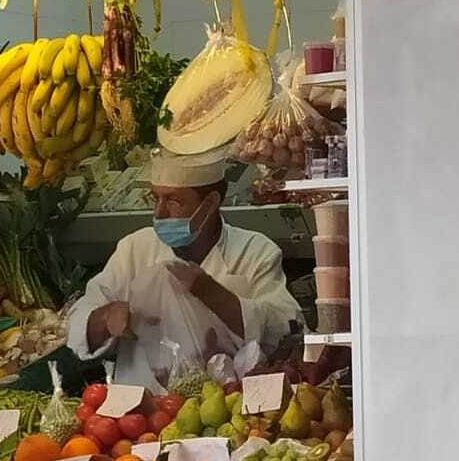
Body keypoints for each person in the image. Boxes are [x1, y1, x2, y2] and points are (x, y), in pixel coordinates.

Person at [66, 151, 302, 387]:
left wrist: (211, 293)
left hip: (230, 409)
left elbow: (287, 329)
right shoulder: (135, 248)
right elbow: (78, 323)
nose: (159, 212)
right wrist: (105, 318)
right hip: (140, 411)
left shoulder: (255, 251)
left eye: (173, 201)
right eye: (154, 198)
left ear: (210, 203)